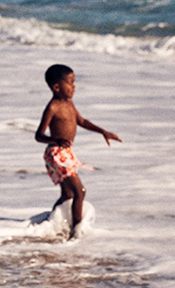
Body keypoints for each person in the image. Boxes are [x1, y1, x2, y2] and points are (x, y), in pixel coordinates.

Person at [34, 64, 121, 238]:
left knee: (67, 194)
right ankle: (76, 232)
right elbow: (38, 135)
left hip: (66, 153)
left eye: (74, 83)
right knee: (80, 191)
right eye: (70, 83)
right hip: (56, 154)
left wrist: (103, 131)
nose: (74, 87)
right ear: (56, 87)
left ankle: (49, 224)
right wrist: (56, 140)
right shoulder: (52, 107)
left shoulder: (69, 103)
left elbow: (81, 121)